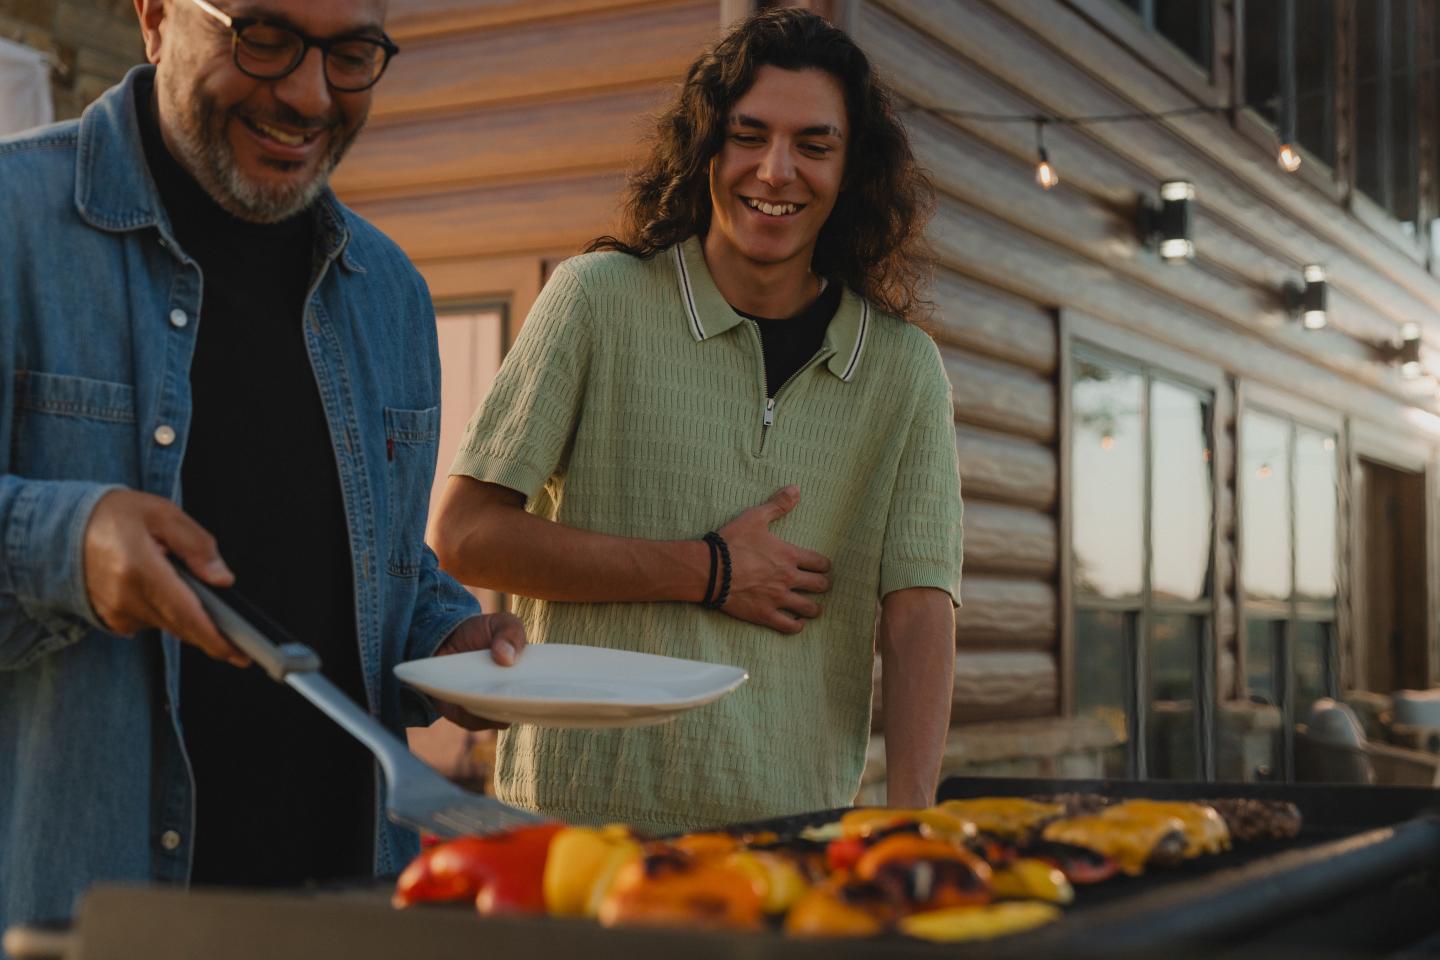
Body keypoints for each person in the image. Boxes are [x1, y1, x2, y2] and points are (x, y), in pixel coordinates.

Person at [0, 0, 523, 935]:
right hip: (84, 925)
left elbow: (383, 572)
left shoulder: (391, 290)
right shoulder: (13, 224)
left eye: (352, 53)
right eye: (265, 38)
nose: (308, 94)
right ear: (157, 17)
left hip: (352, 916)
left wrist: (446, 642)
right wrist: (65, 544)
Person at [433, 8, 962, 835]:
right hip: (577, 830)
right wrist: (706, 570)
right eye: (748, 135)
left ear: (851, 168)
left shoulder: (903, 370)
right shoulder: (595, 301)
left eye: (813, 146)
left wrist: (913, 827)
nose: (775, 170)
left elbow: (920, 608)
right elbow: (466, 535)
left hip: (795, 840)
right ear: (706, 147)